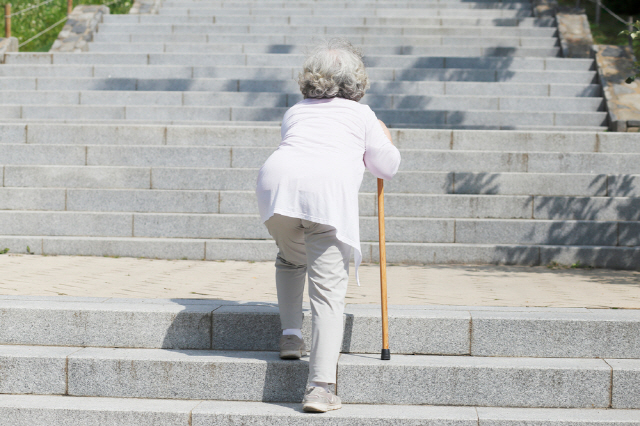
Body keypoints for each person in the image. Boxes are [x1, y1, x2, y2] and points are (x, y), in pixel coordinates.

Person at [255, 38, 401, 413]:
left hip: (277, 189)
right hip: (327, 196)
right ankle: (320, 387)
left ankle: (290, 336)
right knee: (327, 292)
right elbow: (386, 166)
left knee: (290, 259)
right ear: (356, 81)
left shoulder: (295, 111)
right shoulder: (362, 115)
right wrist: (383, 134)